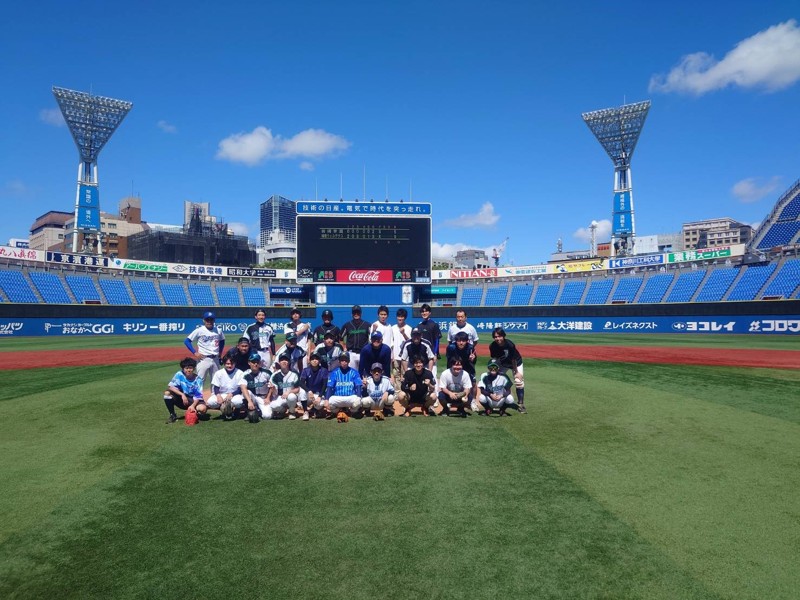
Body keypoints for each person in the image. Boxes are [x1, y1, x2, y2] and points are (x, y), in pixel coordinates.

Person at [488, 327, 527, 414]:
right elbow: (494, 359)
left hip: (516, 363)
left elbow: (513, 360)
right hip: (502, 364)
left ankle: (521, 405)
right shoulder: (492, 346)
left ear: (504, 336)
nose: (497, 338)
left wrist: (516, 372)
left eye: (499, 336)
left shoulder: (510, 344)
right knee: (496, 381)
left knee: (518, 382)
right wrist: (495, 371)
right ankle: (497, 402)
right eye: (495, 337)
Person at [184, 311, 225, 389]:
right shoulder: (199, 330)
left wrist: (220, 353)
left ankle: (214, 398)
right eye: (207, 320)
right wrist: (195, 352)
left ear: (214, 320)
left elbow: (222, 340)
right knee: (200, 380)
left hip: (215, 358)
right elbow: (187, 341)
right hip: (203, 358)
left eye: (211, 320)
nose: (209, 322)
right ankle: (198, 399)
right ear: (204, 320)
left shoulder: (218, 330)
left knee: (216, 381)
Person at [163, 357, 207, 424]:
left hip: (193, 400)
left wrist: (193, 405)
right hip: (183, 400)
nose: (188, 370)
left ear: (194, 368)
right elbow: (171, 387)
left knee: (202, 409)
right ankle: (172, 415)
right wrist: (182, 394)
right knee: (167, 393)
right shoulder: (179, 374)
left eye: (190, 368)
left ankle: (195, 412)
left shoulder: (198, 380)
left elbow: (198, 396)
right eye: (186, 368)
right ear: (183, 369)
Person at [206, 355, 245, 420]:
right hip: (222, 394)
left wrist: (232, 394)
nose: (230, 366)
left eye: (232, 364)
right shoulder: (219, 373)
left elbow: (240, 388)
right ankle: (224, 410)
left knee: (238, 401)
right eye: (227, 364)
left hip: (235, 394)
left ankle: (236, 411)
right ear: (224, 364)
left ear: (235, 363)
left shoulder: (240, 373)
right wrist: (218, 396)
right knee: (211, 402)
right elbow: (216, 387)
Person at [325, 352, 363, 418]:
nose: (344, 362)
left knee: (358, 401)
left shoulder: (354, 372)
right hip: (338, 397)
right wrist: (326, 399)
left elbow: (358, 386)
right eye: (342, 360)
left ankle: (351, 411)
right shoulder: (334, 372)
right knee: (329, 402)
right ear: (339, 361)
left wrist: (359, 397)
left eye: (346, 360)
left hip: (350, 397)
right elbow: (329, 387)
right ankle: (337, 411)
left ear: (349, 361)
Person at [239, 353, 273, 421]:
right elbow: (243, 388)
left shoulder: (267, 373)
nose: (255, 364)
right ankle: (248, 411)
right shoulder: (245, 374)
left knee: (267, 416)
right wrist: (249, 401)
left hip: (264, 398)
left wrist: (268, 397)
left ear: (260, 363)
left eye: (257, 362)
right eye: (253, 362)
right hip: (253, 397)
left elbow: (272, 386)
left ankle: (258, 411)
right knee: (247, 392)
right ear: (249, 363)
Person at [267, 353, 301, 420]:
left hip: (291, 397)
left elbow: (298, 389)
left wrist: (289, 392)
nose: (284, 362)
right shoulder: (275, 375)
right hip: (280, 397)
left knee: (291, 397)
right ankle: (283, 411)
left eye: (286, 360)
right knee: (273, 406)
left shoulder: (294, 374)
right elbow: (274, 393)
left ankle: (292, 412)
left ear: (289, 362)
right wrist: (273, 389)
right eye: (282, 360)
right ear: (279, 362)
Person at [298, 352, 329, 420]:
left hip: (317, 394)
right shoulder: (306, 370)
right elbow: (301, 383)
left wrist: (320, 396)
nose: (314, 361)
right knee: (302, 391)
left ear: (319, 361)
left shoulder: (324, 370)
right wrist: (308, 391)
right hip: (309, 394)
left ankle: (314, 409)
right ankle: (306, 411)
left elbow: (325, 384)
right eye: (312, 359)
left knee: (320, 404)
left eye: (316, 359)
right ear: (310, 360)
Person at [416, 304, 442, 378]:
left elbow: (437, 340)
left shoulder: (434, 324)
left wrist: (435, 354)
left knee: (432, 375)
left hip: (431, 354)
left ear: (429, 312)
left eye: (426, 311)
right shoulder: (419, 325)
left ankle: (433, 389)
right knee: (421, 374)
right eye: (422, 311)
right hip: (421, 354)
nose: (424, 313)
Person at [341, 305, 370, 371]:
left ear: (361, 314)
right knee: (352, 372)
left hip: (363, 353)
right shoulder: (347, 325)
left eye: (358, 312)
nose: (356, 314)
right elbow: (340, 338)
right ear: (352, 314)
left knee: (364, 373)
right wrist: (344, 347)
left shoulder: (367, 325)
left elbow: (372, 337)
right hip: (351, 353)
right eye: (354, 312)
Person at [390, 308, 412, 388]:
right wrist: (391, 354)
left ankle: (404, 390)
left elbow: (410, 342)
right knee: (396, 375)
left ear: (405, 317)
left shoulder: (409, 328)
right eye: (399, 316)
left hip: (405, 357)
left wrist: (403, 334)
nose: (400, 318)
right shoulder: (392, 328)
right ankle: (397, 391)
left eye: (402, 316)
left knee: (405, 374)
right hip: (395, 355)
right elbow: (391, 342)